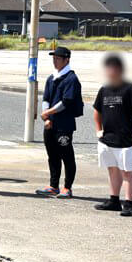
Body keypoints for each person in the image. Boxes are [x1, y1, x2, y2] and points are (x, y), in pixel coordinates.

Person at [93, 54, 132, 217]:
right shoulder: (104, 89)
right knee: (112, 170)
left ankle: (128, 203)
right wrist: (98, 129)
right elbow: (97, 110)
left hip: (125, 139)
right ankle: (114, 200)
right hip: (107, 139)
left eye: (114, 67)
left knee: (127, 171)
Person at [37, 46, 83, 198]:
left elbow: (66, 101)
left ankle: (67, 187)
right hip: (50, 123)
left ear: (66, 60)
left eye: (58, 58)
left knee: (66, 154)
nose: (55, 61)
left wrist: (48, 113)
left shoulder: (71, 78)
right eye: (53, 58)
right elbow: (46, 98)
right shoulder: (52, 78)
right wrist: (47, 118)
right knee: (52, 155)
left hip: (64, 124)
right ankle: (53, 185)